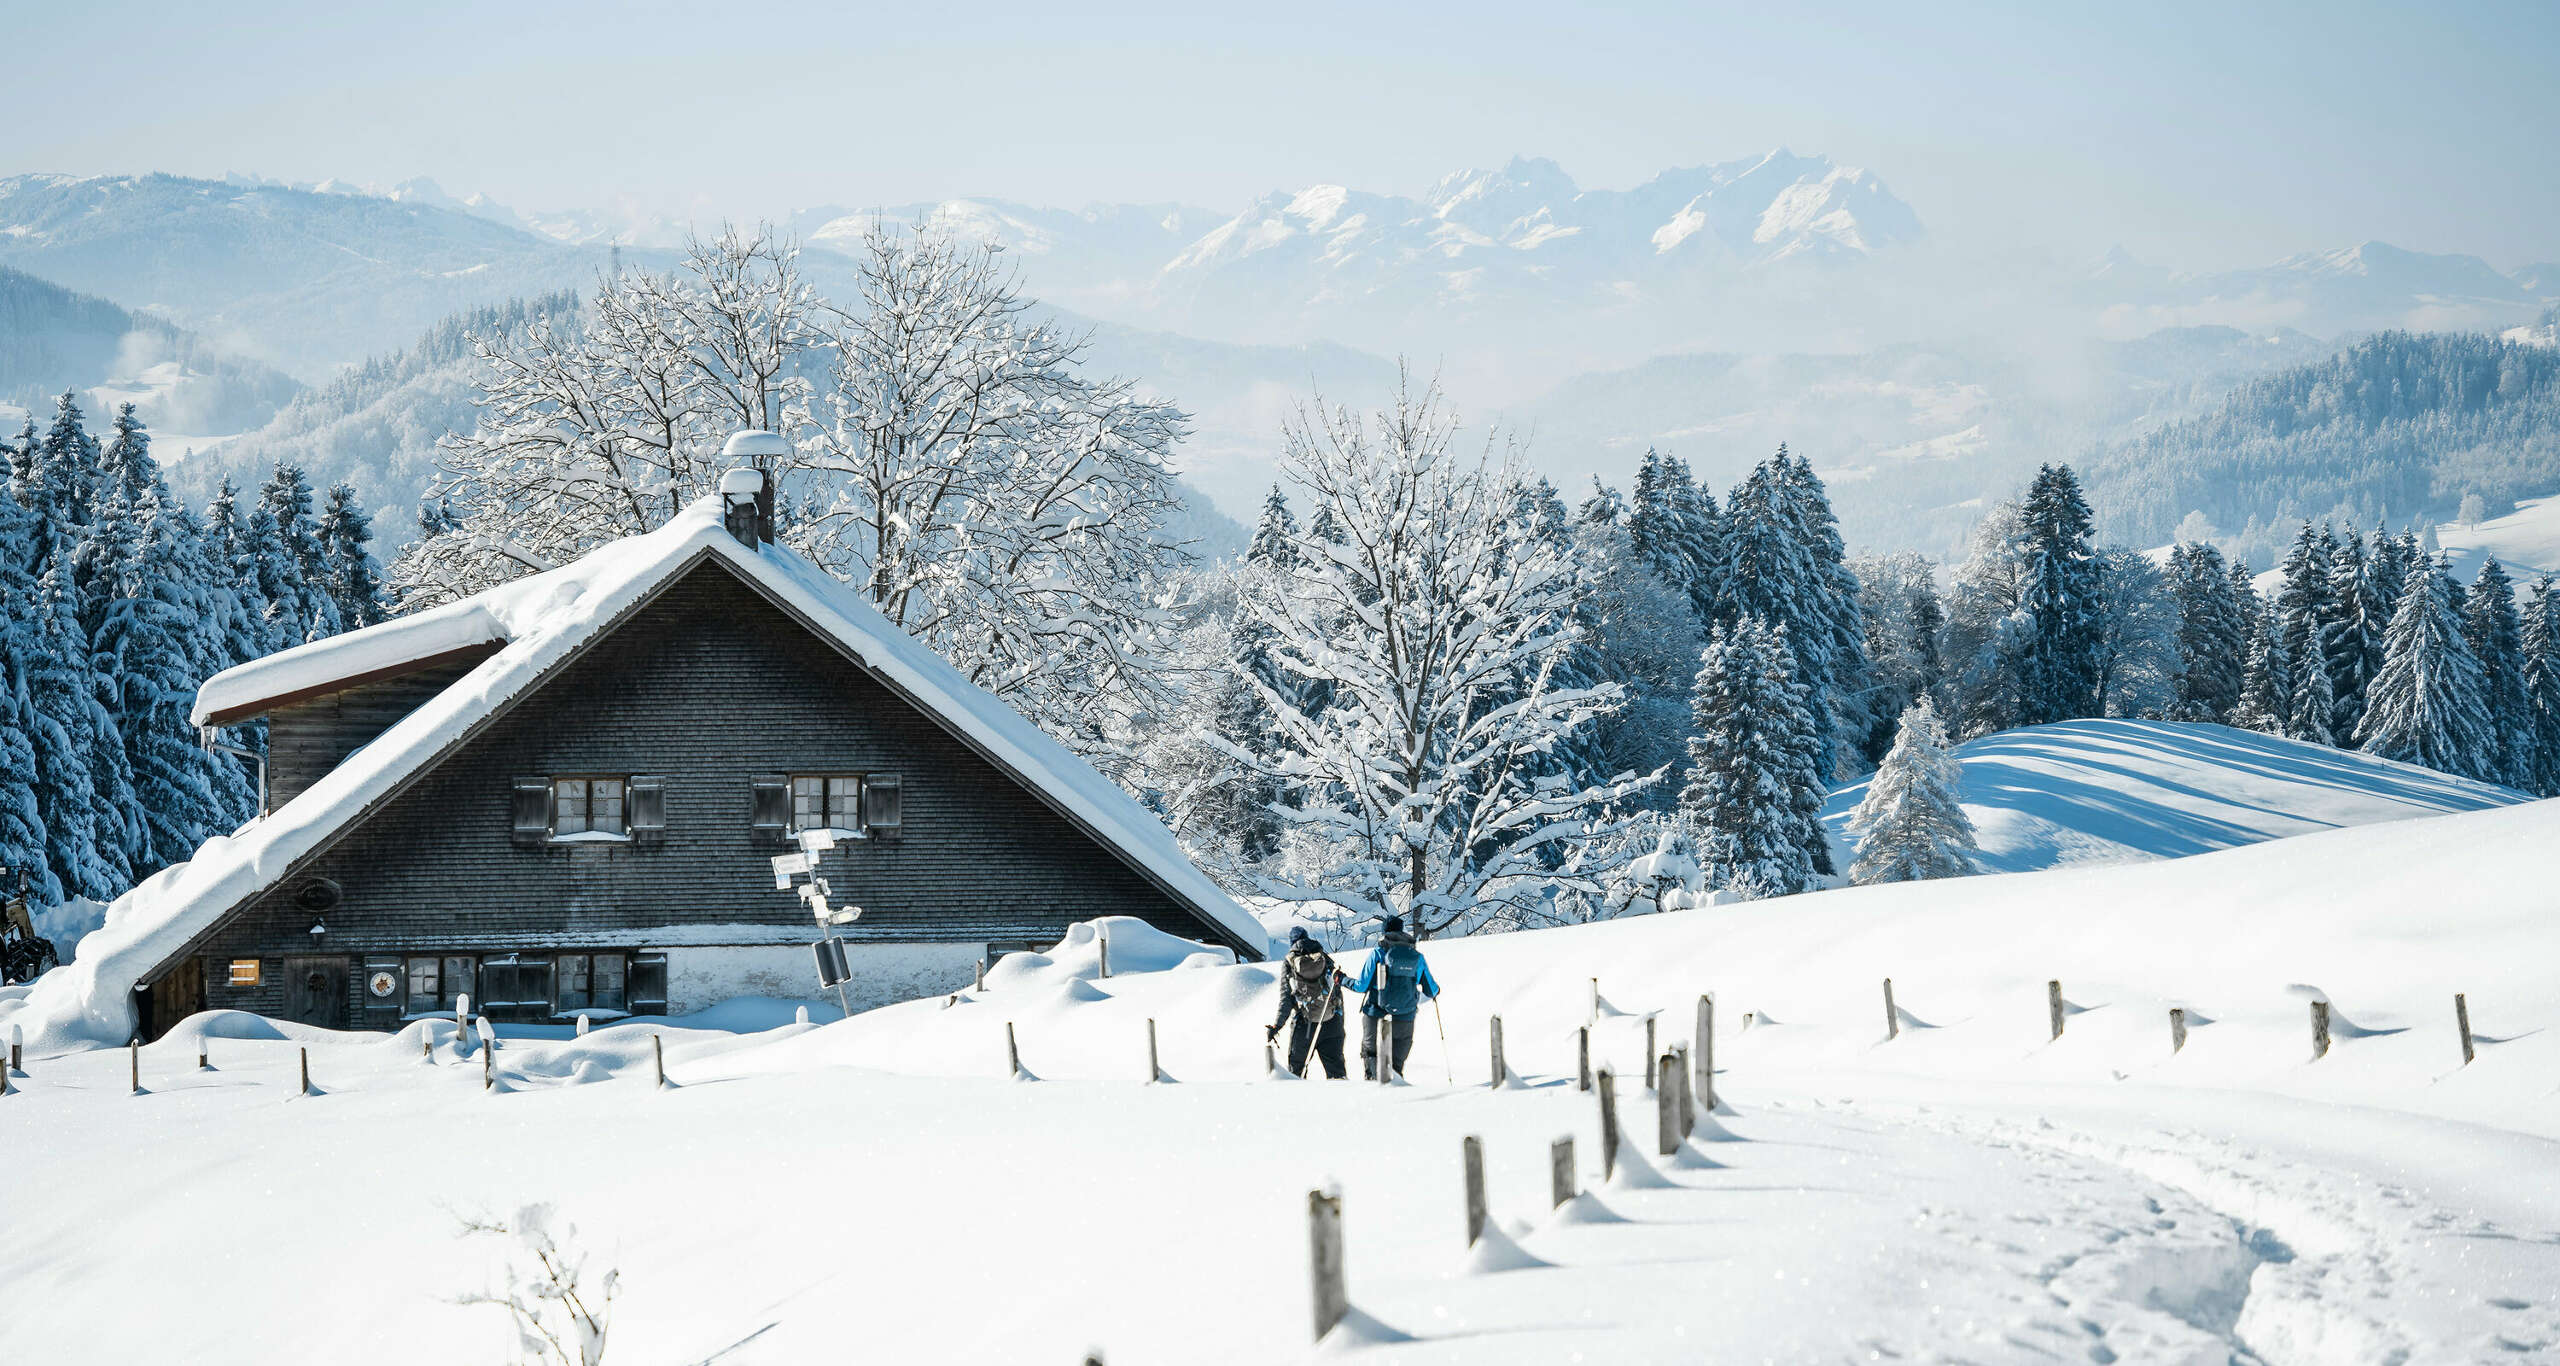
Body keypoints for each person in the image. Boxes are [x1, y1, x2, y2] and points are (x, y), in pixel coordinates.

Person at [1349, 913, 1440, 1081]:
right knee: (1396, 1063)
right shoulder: (1416, 956)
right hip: (1406, 1012)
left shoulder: (1378, 952)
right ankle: (1396, 1084)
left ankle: (1372, 1081)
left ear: (1385, 932)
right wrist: (1436, 991)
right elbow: (1431, 990)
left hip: (1375, 1010)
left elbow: (1362, 985)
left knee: (1371, 1052)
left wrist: (1344, 980)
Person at [1265, 926, 1348, 1079]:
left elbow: (1286, 999)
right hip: (1330, 1023)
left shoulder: (1290, 962)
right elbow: (1336, 990)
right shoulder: (1323, 956)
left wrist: (1277, 1026)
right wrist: (1339, 1020)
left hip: (1304, 1025)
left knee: (1297, 1073)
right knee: (1337, 1075)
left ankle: (1297, 1103)